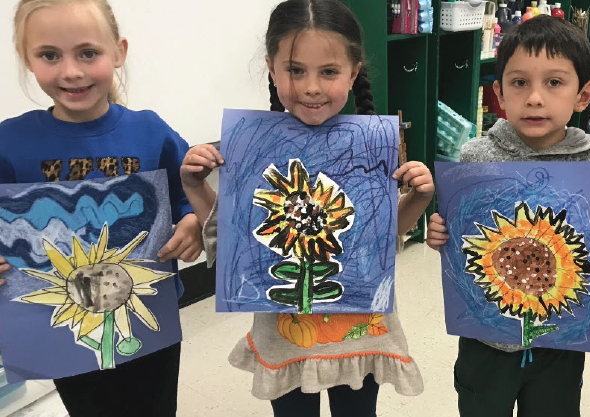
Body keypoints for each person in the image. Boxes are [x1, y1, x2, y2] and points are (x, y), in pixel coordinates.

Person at [179, 1, 429, 416]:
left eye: (328, 71)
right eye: (296, 70)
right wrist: (195, 185)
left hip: (360, 336)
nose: (312, 87)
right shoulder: (255, 151)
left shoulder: (370, 149)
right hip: (285, 338)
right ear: (271, 69)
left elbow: (382, 241)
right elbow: (232, 246)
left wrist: (417, 198)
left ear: (354, 71)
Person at [0, 0, 203, 415]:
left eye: (87, 53)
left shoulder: (149, 131)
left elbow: (187, 196)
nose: (71, 71)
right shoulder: (11, 143)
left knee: (156, 407)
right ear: (27, 59)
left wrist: (192, 220)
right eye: (49, 55)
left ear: (119, 51)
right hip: (62, 326)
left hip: (149, 315)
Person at [426, 15, 590, 417]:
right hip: (487, 342)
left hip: (559, 339)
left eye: (554, 82)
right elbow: (463, 253)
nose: (535, 98)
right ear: (499, 92)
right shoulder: (475, 157)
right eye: (520, 83)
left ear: (583, 95)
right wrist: (441, 235)